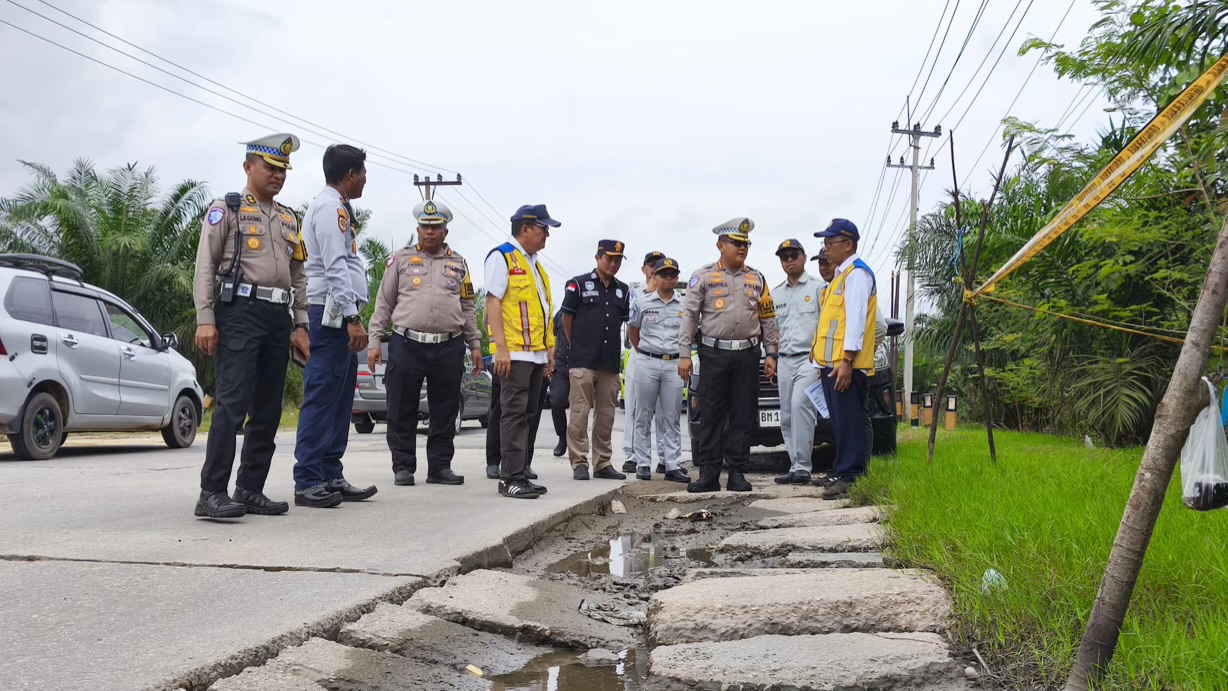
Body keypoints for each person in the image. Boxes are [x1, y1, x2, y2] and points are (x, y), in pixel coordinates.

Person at [192, 133, 310, 518]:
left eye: (282, 171)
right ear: (248, 167)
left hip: (278, 318)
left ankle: (249, 488)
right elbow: (205, 266)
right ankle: (211, 493)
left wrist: (301, 324)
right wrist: (206, 319)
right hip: (239, 312)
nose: (278, 176)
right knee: (232, 403)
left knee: (269, 407)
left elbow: (298, 276)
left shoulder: (290, 217)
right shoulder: (226, 209)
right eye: (271, 168)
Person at [367, 200, 482, 487]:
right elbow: (384, 302)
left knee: (444, 409)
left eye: (435, 227)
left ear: (445, 231)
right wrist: (373, 341)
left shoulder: (458, 263)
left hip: (448, 345)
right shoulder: (401, 260)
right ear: (418, 229)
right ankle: (403, 467)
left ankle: (440, 467)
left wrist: (476, 344)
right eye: (424, 227)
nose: (429, 232)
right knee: (401, 407)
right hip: (408, 344)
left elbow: (468, 307)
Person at [678, 218, 779, 493]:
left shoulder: (757, 278)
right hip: (713, 354)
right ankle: (709, 474)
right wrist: (684, 353)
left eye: (745, 244)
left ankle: (737, 472)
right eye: (736, 243)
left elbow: (767, 317)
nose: (742, 248)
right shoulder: (705, 276)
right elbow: (690, 316)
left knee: (743, 415)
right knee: (711, 415)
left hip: (748, 354)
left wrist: (771, 353)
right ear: (720, 245)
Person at [485, 204, 558, 498]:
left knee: (528, 415)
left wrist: (550, 350)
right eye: (544, 229)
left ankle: (521, 472)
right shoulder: (502, 257)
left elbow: (543, 310)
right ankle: (510, 478)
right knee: (513, 414)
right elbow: (492, 302)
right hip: (514, 353)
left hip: (535, 354)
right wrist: (500, 348)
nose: (546, 236)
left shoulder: (534, 264)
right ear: (525, 229)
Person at [810, 219, 877, 499]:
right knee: (839, 421)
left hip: (846, 365)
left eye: (830, 242)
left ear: (848, 245)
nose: (826, 249)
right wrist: (819, 364)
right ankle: (841, 469)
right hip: (831, 365)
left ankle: (851, 476)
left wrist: (847, 361)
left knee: (850, 420)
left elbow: (856, 320)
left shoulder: (857, 275)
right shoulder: (839, 276)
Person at [563, 240, 631, 481]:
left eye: (618, 260)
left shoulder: (623, 289)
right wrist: (578, 345)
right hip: (583, 360)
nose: (613, 264)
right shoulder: (578, 284)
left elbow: (624, 322)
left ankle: (602, 463)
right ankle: (579, 462)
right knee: (580, 414)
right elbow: (567, 320)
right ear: (597, 257)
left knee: (605, 416)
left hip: (610, 364)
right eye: (609, 258)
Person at [627, 257, 690, 483]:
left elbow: (688, 334)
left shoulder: (684, 305)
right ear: (655, 276)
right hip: (648, 361)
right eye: (664, 274)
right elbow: (632, 333)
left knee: (672, 416)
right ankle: (643, 463)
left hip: (673, 364)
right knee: (643, 413)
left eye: (673, 275)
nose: (668, 278)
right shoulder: (642, 303)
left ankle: (672, 464)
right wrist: (645, 352)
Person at [771, 239, 824, 485]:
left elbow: (827, 326)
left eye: (793, 256)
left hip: (808, 360)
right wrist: (770, 356)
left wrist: (823, 361)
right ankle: (794, 465)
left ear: (803, 257)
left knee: (800, 406)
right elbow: (772, 330)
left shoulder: (817, 288)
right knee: (787, 415)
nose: (789, 261)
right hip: (784, 360)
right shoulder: (776, 293)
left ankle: (803, 466)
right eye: (785, 257)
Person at [621, 251, 663, 474]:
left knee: (663, 411)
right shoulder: (634, 294)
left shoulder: (671, 296)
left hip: (663, 356)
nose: (654, 270)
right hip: (639, 354)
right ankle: (631, 455)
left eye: (659, 266)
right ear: (644, 269)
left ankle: (665, 458)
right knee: (635, 409)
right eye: (651, 266)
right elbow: (631, 326)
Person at [549, 308, 570, 457]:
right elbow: (552, 338)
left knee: (580, 408)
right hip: (561, 364)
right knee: (556, 402)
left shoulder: (586, 310)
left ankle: (578, 443)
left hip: (581, 362)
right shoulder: (559, 315)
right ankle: (562, 436)